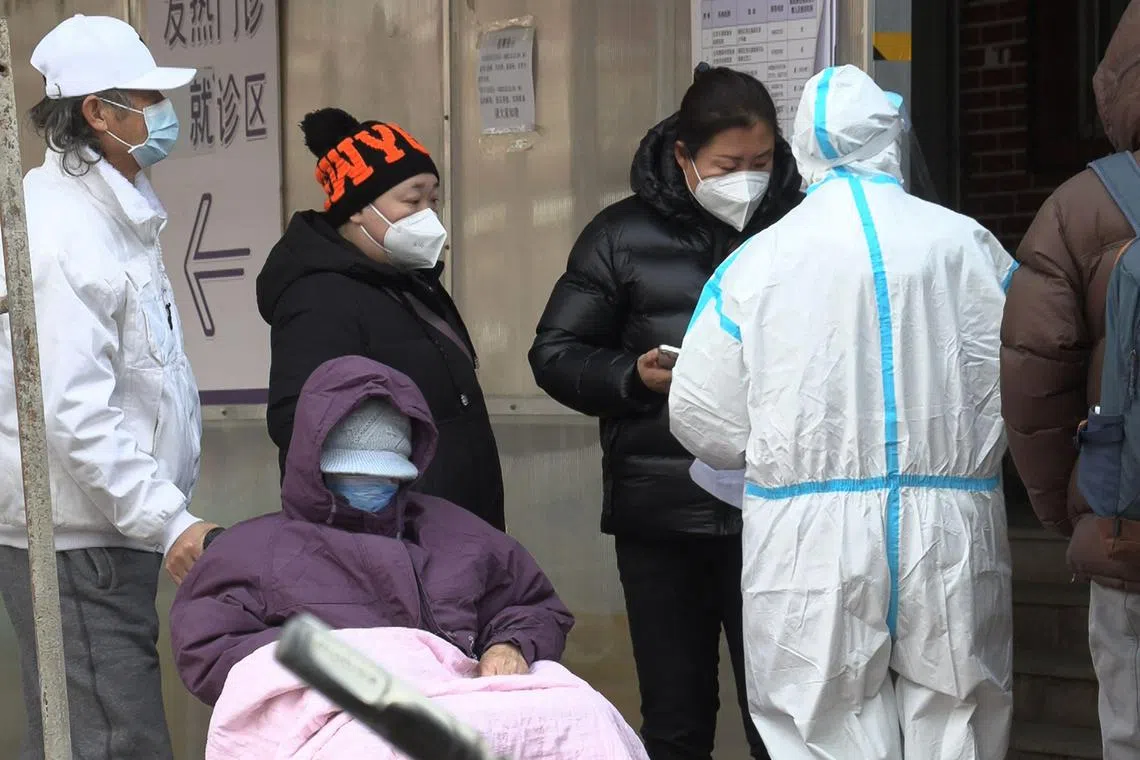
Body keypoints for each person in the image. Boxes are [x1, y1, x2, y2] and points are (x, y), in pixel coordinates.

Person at [669, 65, 1016, 760]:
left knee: (816, 719)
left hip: (806, 529)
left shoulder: (756, 263)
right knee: (957, 711)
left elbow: (701, 416)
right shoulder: (968, 246)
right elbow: (1023, 368)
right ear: (892, 136)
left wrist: (773, 449)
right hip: (950, 522)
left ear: (803, 147)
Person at [529, 65, 803, 760]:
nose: (749, 179)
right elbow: (556, 351)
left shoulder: (803, 226)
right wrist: (630, 376)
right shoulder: (619, 235)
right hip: (661, 518)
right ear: (684, 156)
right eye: (728, 164)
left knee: (787, 713)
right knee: (677, 717)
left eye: (763, 162)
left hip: (780, 513)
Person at [0, 14, 217, 760]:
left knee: (79, 737)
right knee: (111, 744)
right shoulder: (63, 233)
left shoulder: (109, 214)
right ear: (97, 111)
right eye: (148, 97)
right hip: (77, 539)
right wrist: (169, 519)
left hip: (101, 532)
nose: (165, 114)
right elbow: (76, 414)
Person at [170, 355, 573, 706]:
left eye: (383, 475)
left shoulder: (460, 535)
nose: (368, 486)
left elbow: (534, 604)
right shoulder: (252, 551)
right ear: (314, 466)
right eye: (351, 473)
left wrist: (510, 645)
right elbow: (206, 646)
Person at [257, 108, 504, 530]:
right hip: (391, 538)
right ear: (356, 208)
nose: (428, 214)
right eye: (412, 199)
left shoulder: (409, 284)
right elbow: (302, 422)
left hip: (456, 530)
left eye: (433, 200)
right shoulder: (319, 295)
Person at [1002, 5, 1140, 757]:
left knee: (1131, 725)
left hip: (1130, 529)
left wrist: (1070, 509)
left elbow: (1034, 379)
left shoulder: (1081, 208)